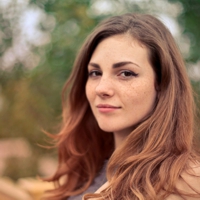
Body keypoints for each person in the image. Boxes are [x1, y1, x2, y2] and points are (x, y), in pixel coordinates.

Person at [43, 13, 200, 200]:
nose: (101, 88)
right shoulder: (87, 170)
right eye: (95, 73)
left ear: (161, 83)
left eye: (125, 73)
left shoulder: (186, 181)